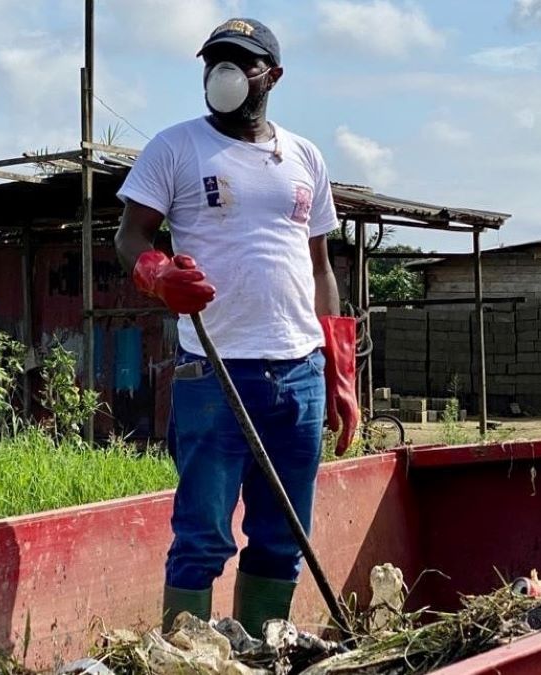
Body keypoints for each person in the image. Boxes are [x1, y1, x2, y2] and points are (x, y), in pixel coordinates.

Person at [113, 17, 359, 636]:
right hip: (215, 374)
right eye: (214, 62)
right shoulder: (176, 148)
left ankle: (261, 653)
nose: (222, 75)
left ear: (271, 76)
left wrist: (340, 364)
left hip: (297, 373)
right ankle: (185, 656)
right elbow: (130, 235)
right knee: (201, 537)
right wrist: (156, 272)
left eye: (239, 63)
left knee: (283, 538)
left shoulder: (305, 156)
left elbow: (320, 265)